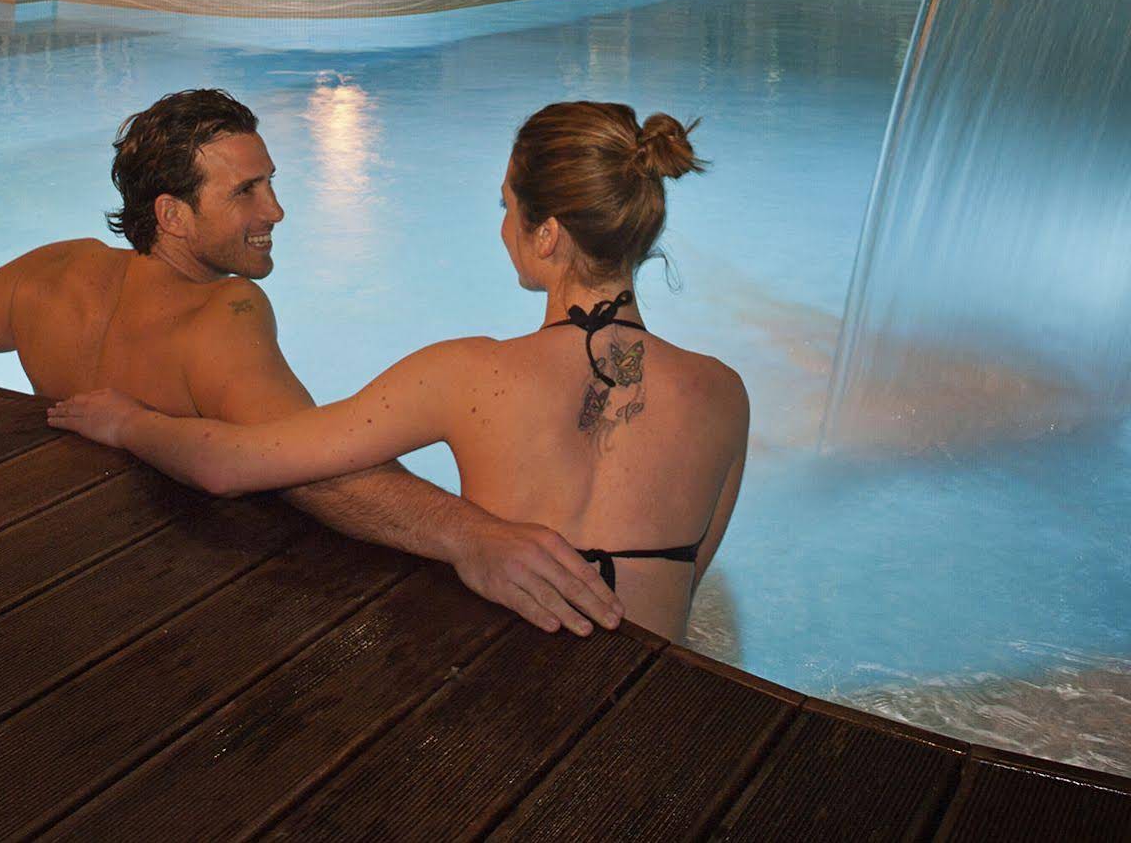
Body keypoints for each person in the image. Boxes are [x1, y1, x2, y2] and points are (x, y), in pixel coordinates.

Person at [0, 89, 621, 636]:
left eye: (270, 182)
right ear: (171, 214)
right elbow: (309, 466)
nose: (275, 209)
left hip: (58, 585)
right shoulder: (222, 316)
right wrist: (469, 536)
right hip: (182, 607)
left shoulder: (56, 277)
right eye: (246, 193)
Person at [48, 101, 749, 640]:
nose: (502, 227)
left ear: (547, 235)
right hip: (650, 707)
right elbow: (683, 591)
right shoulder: (723, 394)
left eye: (507, 207)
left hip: (517, 704)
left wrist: (129, 422)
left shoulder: (468, 374)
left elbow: (229, 464)